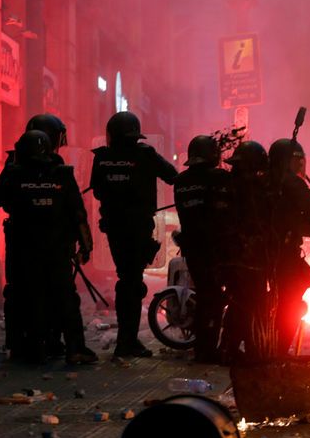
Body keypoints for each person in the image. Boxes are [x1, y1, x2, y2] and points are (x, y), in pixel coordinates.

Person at [0, 130, 97, 364]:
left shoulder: (15, 174)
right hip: (58, 249)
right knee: (66, 298)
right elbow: (78, 213)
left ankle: (35, 350)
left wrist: (10, 170)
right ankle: (75, 349)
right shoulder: (63, 174)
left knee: (32, 297)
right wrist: (85, 248)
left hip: (24, 251)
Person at [89, 112, 177, 360]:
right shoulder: (145, 155)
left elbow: (96, 192)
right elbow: (172, 175)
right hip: (138, 228)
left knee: (127, 280)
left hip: (116, 229)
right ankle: (127, 343)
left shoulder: (102, 158)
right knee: (132, 282)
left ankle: (127, 340)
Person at [0, 114, 72, 360]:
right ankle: (43, 342)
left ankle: (25, 343)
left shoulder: (14, 163)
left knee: (22, 290)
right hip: (47, 239)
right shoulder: (50, 164)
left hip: (21, 238)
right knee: (45, 290)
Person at [267, 138, 310, 357]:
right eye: (297, 160)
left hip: (261, 252)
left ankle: (263, 344)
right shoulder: (292, 182)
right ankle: (278, 350)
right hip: (284, 252)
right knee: (292, 301)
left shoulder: (262, 180)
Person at [173, 135, 231, 363]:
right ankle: (207, 350)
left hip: (193, 247)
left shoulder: (181, 181)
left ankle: (201, 347)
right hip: (215, 248)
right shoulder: (218, 178)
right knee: (214, 299)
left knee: (206, 296)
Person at [221, 140, 271, 360]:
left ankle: (231, 347)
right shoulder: (253, 189)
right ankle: (247, 349)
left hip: (231, 256)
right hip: (248, 257)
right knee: (251, 304)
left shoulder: (226, 184)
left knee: (238, 302)